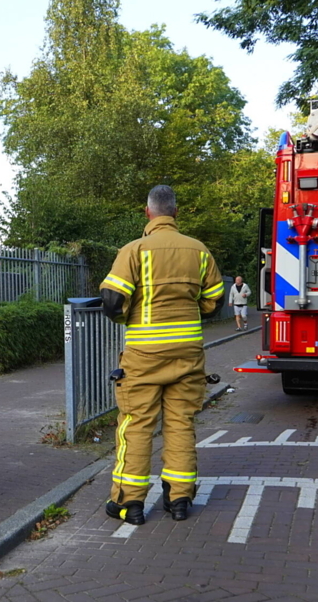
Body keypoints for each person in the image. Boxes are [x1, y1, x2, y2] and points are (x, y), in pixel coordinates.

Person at [99, 185, 224, 525]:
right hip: (188, 354)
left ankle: (129, 503)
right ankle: (180, 499)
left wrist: (131, 314)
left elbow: (112, 302)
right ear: (176, 213)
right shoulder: (199, 251)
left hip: (144, 355)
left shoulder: (134, 250)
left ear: (147, 212)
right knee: (181, 423)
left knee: (136, 425)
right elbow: (215, 302)